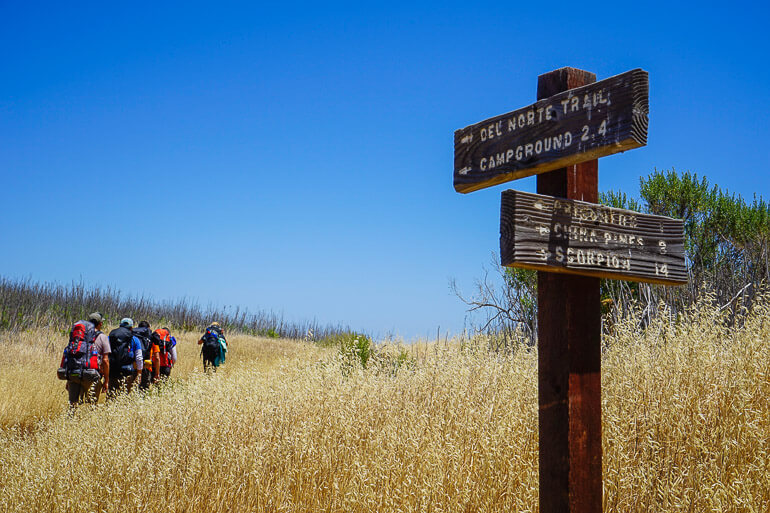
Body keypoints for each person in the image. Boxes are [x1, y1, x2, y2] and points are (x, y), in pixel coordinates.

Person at [61, 312, 111, 406]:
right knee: (92, 405)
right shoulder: (103, 337)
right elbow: (105, 360)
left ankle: (71, 420)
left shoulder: (79, 336)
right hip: (92, 374)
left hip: (74, 373)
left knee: (73, 405)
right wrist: (106, 381)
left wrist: (69, 379)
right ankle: (88, 419)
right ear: (100, 323)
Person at [107, 317, 143, 398]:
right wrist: (139, 373)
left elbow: (104, 354)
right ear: (131, 328)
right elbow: (139, 357)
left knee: (111, 396)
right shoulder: (134, 339)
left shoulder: (111, 337)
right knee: (125, 397)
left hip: (113, 371)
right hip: (128, 371)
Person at [133, 321, 154, 390]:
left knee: (132, 386)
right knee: (144, 387)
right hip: (146, 363)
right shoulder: (149, 335)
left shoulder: (133, 334)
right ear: (148, 328)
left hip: (133, 363)